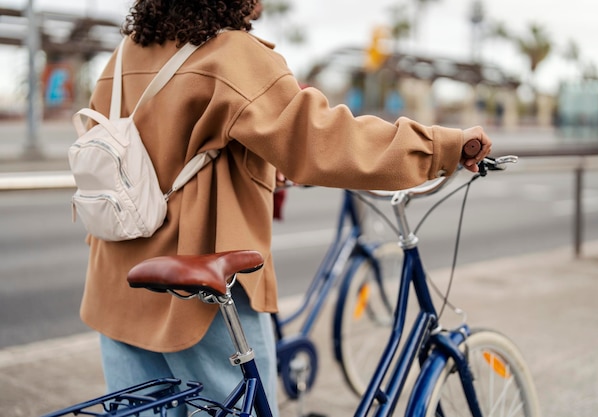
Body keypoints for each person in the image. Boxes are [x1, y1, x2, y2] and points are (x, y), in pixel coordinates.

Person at [78, 0, 492, 416]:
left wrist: (255, 162)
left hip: (118, 288)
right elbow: (324, 140)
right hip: (197, 305)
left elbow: (154, 150)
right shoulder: (232, 54)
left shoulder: (125, 54)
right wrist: (441, 146)